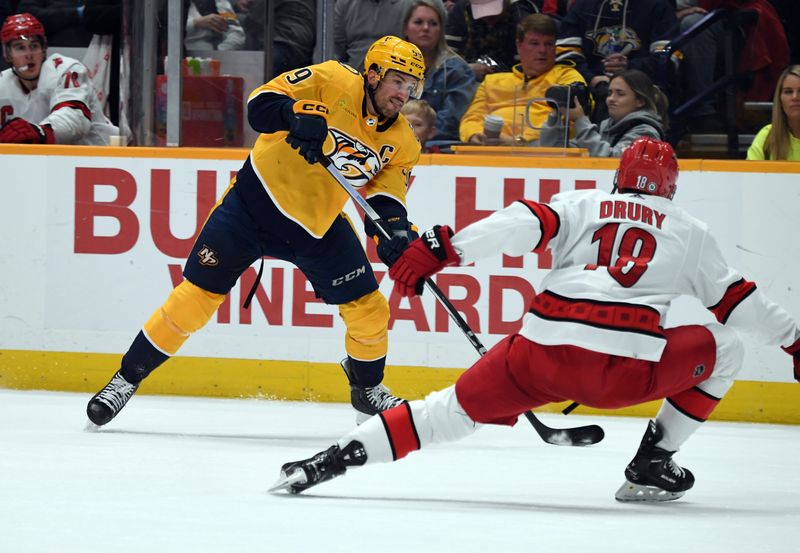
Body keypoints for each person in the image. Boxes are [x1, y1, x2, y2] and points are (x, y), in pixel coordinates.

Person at [270, 137, 800, 502]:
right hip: (621, 374)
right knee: (725, 345)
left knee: (443, 414)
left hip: (536, 359)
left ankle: (332, 460)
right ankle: (653, 463)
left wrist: (443, 247)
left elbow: (521, 222)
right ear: (670, 189)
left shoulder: (584, 203)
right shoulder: (689, 230)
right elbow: (740, 304)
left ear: (618, 179)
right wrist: (795, 342)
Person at [86, 36, 427, 427]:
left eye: (412, 86)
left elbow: (385, 197)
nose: (404, 94)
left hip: (316, 226)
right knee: (192, 301)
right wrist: (294, 115)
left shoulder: (402, 141)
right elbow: (260, 104)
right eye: (398, 81)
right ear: (373, 75)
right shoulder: (331, 79)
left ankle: (367, 390)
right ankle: (125, 380)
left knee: (369, 309)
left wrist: (395, 233)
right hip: (251, 206)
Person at [459, 13, 585, 145]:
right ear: (519, 45)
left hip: (539, 152)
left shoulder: (567, 77)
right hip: (487, 149)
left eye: (548, 44)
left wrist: (519, 142)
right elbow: (471, 118)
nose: (542, 50)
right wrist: (475, 135)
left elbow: (571, 122)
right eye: (534, 43)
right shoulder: (492, 81)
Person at [0, 12, 119, 145]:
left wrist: (40, 132)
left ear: (43, 49)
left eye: (34, 46)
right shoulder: (2, 83)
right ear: (8, 54)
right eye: (20, 48)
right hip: (42, 159)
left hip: (98, 156)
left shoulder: (66, 69)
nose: (29, 54)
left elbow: (74, 118)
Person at [555, 0, 679, 123]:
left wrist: (630, 68)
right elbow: (566, 54)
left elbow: (668, 58)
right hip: (591, 82)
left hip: (640, 82)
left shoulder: (657, 5)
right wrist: (591, 79)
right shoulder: (582, 6)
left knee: (616, 94)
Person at [539, 69, 667, 157]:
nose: (611, 99)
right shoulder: (605, 128)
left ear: (640, 101)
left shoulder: (646, 133)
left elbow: (613, 161)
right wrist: (555, 117)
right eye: (609, 93)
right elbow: (557, 153)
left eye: (620, 94)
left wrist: (580, 121)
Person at [403, 0, 477, 144]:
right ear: (405, 28)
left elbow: (451, 122)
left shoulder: (458, 70)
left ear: (441, 30)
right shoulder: (389, 68)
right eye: (418, 22)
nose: (425, 28)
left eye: (433, 23)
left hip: (439, 148)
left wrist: (414, 137)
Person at [445, 0, 546, 82]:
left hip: (515, 82)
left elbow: (533, 67)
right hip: (468, 82)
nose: (488, 16)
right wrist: (466, 69)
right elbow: (443, 60)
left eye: (493, 9)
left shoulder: (520, 15)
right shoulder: (461, 11)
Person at [334, 0, 412, 72]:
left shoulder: (410, 4)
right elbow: (335, 49)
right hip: (352, 77)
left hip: (396, 76)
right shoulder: (344, 4)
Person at [747, 65, 800, 161]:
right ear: (779, 98)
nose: (795, 97)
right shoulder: (766, 136)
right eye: (788, 91)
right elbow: (750, 175)